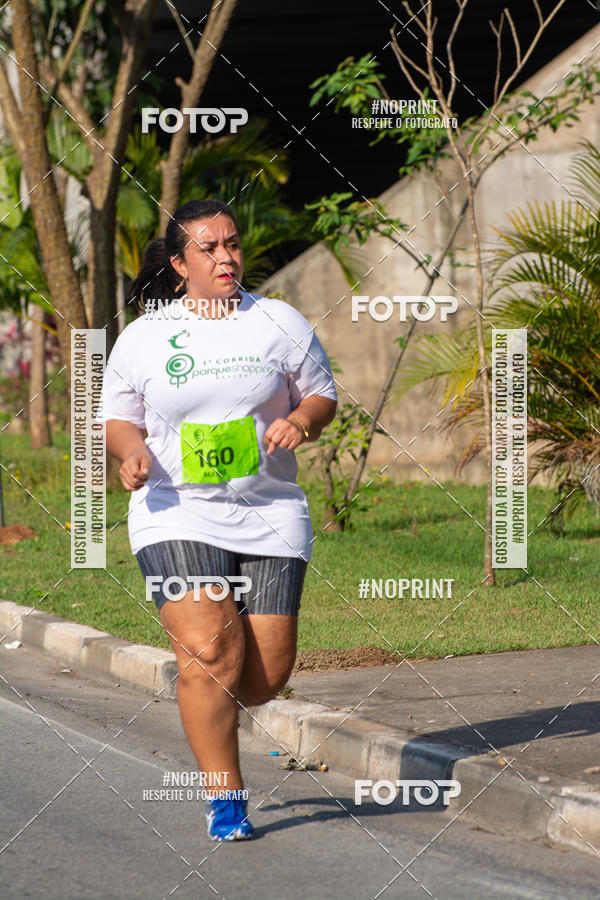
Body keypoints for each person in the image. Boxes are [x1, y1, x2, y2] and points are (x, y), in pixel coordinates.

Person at [101, 199, 337, 841]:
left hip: (269, 510)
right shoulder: (146, 335)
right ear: (180, 264)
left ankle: (206, 690)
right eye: (208, 248)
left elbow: (322, 393)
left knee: (262, 678)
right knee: (210, 650)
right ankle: (224, 795)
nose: (225, 256)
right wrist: (130, 453)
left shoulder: (279, 321)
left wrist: (302, 420)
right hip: (175, 509)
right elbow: (117, 419)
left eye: (231, 243)